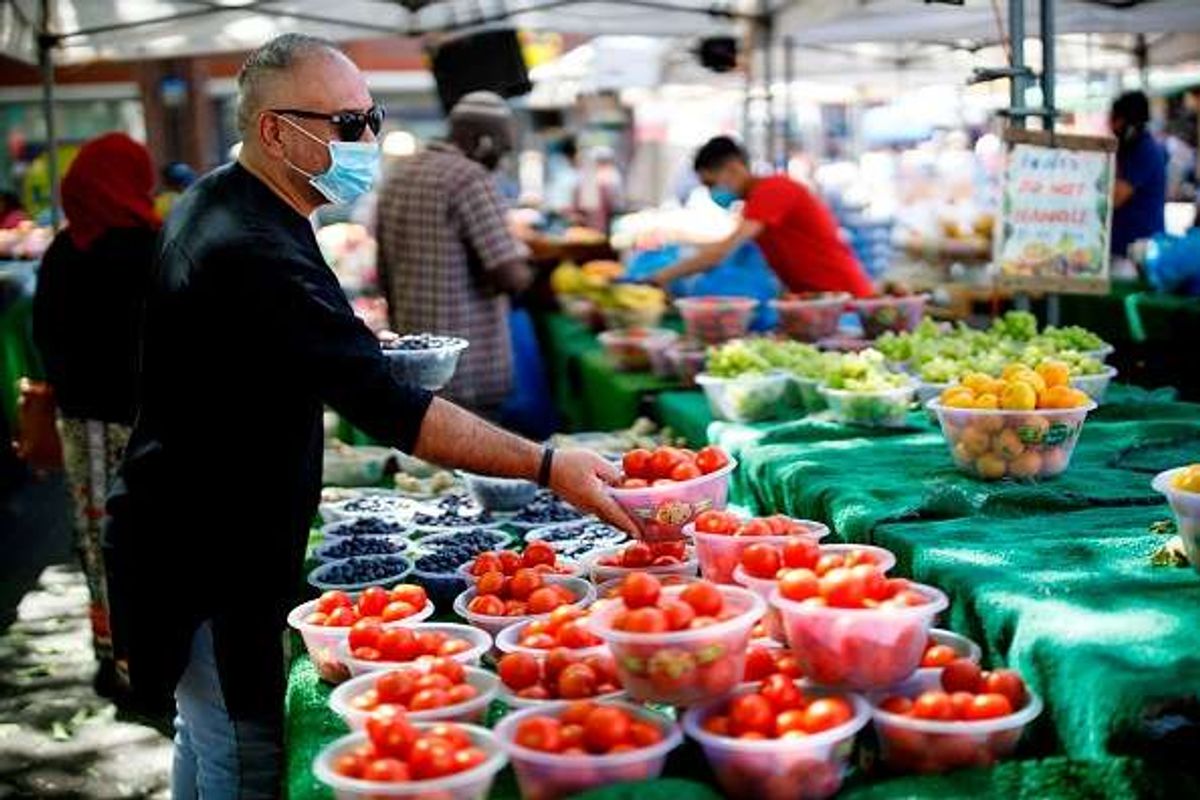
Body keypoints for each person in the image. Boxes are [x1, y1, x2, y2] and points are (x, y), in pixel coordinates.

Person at [103, 35, 634, 799]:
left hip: (186, 524)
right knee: (243, 752)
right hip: (210, 550)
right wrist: (548, 465)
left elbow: (261, 343)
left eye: (372, 119)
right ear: (276, 131)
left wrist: (343, 345)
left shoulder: (228, 197)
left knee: (207, 734)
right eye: (348, 124)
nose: (368, 140)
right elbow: (392, 412)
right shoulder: (252, 242)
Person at [31, 132, 159, 696]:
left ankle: (113, 656)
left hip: (82, 423)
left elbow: (43, 336)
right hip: (147, 422)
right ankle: (152, 657)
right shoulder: (153, 248)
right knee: (150, 538)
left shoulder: (63, 251)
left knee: (95, 535)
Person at [376, 91, 531, 417]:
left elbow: (384, 269)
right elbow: (509, 275)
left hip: (413, 363)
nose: (501, 159)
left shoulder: (400, 174)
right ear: (484, 142)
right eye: (502, 148)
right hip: (466, 371)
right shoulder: (469, 178)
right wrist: (533, 267)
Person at [651, 136, 874, 298]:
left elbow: (720, 252)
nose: (711, 192)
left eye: (711, 184)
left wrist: (660, 277)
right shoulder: (755, 202)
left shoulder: (772, 191)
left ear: (733, 168)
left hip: (843, 300)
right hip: (816, 301)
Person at [1110, 90, 1167, 257]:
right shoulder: (1128, 149)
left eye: (1116, 120)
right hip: (1126, 246)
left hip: (1138, 250)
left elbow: (1115, 198)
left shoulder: (1143, 151)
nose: (1112, 126)